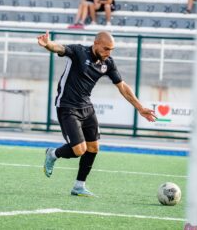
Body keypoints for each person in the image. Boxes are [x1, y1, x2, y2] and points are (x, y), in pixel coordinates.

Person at [37, 31, 156, 197]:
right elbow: (59, 48)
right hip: (67, 106)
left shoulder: (108, 63)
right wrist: (48, 44)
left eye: (111, 50)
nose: (109, 53)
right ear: (96, 43)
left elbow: (122, 87)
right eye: (106, 48)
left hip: (87, 107)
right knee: (79, 150)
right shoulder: (79, 52)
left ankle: (79, 186)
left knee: (93, 148)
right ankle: (53, 153)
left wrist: (140, 108)